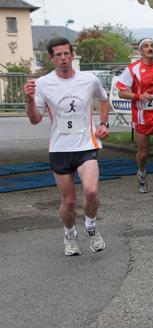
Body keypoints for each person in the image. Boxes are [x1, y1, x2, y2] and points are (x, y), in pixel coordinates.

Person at [23, 37, 110, 256]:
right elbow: (35, 119)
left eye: (66, 54)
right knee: (69, 202)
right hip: (60, 149)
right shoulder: (43, 84)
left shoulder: (89, 80)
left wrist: (103, 123)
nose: (63, 58)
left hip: (86, 145)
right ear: (51, 58)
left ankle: (90, 225)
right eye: (58, 55)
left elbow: (103, 99)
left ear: (72, 55)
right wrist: (30, 100)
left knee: (91, 191)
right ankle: (69, 234)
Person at [116, 37, 153, 200]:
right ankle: (141, 173)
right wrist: (138, 96)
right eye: (146, 46)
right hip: (141, 116)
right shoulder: (132, 69)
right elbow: (121, 92)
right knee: (143, 153)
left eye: (152, 45)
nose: (150, 48)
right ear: (140, 51)